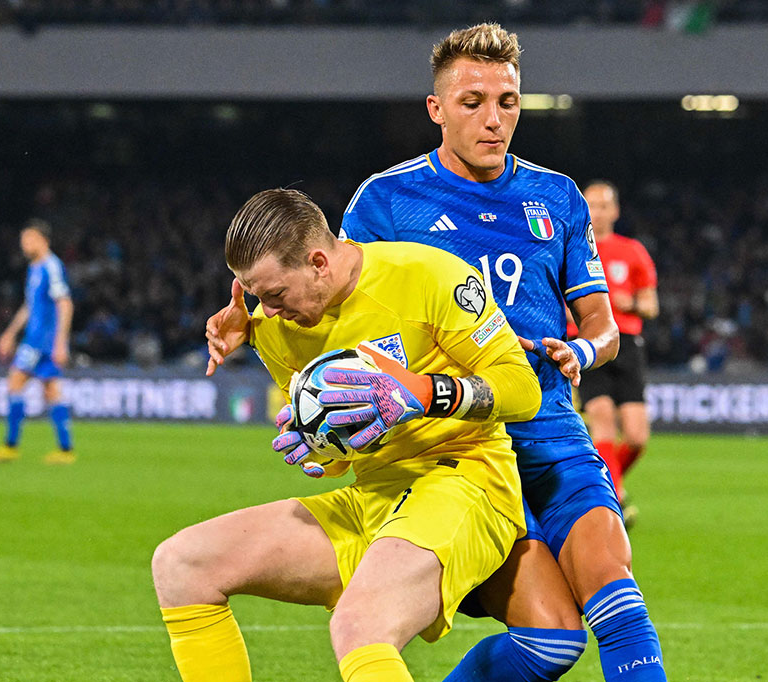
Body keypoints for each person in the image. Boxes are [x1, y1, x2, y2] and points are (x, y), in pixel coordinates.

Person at [340, 23, 666, 682]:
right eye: (473, 102)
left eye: (508, 102)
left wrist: (581, 350)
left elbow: (604, 325)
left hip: (551, 428)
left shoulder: (556, 197)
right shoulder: (385, 203)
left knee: (621, 603)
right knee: (553, 643)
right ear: (436, 109)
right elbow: (349, 330)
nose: (495, 120)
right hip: (460, 447)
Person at [159, 188, 545, 682]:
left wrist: (422, 393)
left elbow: (522, 390)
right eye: (256, 298)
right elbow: (340, 457)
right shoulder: (276, 331)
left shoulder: (429, 275)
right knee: (182, 564)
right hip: (376, 497)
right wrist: (322, 447)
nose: (268, 312)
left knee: (360, 626)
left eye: (274, 294)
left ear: (319, 261)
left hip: (467, 481)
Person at [577, 180, 659, 511]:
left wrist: (631, 304)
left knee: (638, 437)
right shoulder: (571, 247)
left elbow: (652, 306)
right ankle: (615, 501)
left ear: (615, 210)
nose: (596, 212)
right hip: (586, 341)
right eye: (590, 205)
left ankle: (604, 484)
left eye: (603, 205)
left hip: (626, 343)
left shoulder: (632, 251)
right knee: (601, 417)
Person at [0, 219, 75, 464]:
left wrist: (60, 343)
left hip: (41, 341)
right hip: (36, 338)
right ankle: (65, 450)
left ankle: (11, 446)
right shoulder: (34, 268)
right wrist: (10, 333)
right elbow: (30, 306)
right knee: (51, 390)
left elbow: (65, 303)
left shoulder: (51, 267)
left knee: (15, 382)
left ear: (42, 240)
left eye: (28, 239)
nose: (24, 244)